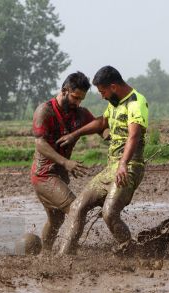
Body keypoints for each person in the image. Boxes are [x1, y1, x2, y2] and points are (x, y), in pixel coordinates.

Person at [57, 66, 149, 255]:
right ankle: (65, 256)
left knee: (109, 214)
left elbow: (134, 136)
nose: (102, 96)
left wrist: (123, 164)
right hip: (111, 168)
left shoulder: (135, 102)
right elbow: (102, 122)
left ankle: (132, 253)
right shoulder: (115, 102)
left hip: (129, 167)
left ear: (113, 87)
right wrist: (76, 134)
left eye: (103, 91)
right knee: (77, 207)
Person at [31, 71, 94, 252]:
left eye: (81, 99)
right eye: (75, 97)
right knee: (77, 210)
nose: (77, 103)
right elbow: (40, 143)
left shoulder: (80, 114)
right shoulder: (45, 111)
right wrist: (66, 162)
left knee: (56, 220)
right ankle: (67, 255)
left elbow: (100, 126)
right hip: (44, 175)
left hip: (60, 175)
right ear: (64, 90)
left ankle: (46, 253)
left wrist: (112, 137)